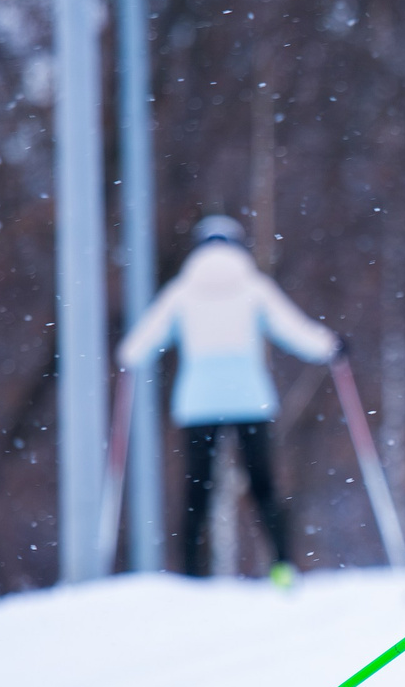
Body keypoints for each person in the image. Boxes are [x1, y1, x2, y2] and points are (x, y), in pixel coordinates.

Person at [117, 215, 341, 583]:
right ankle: (282, 565)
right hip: (249, 398)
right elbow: (294, 330)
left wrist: (128, 355)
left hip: (198, 401)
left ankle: (190, 574)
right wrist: (331, 347)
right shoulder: (254, 288)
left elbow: (139, 345)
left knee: (197, 491)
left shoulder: (182, 292)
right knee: (264, 486)